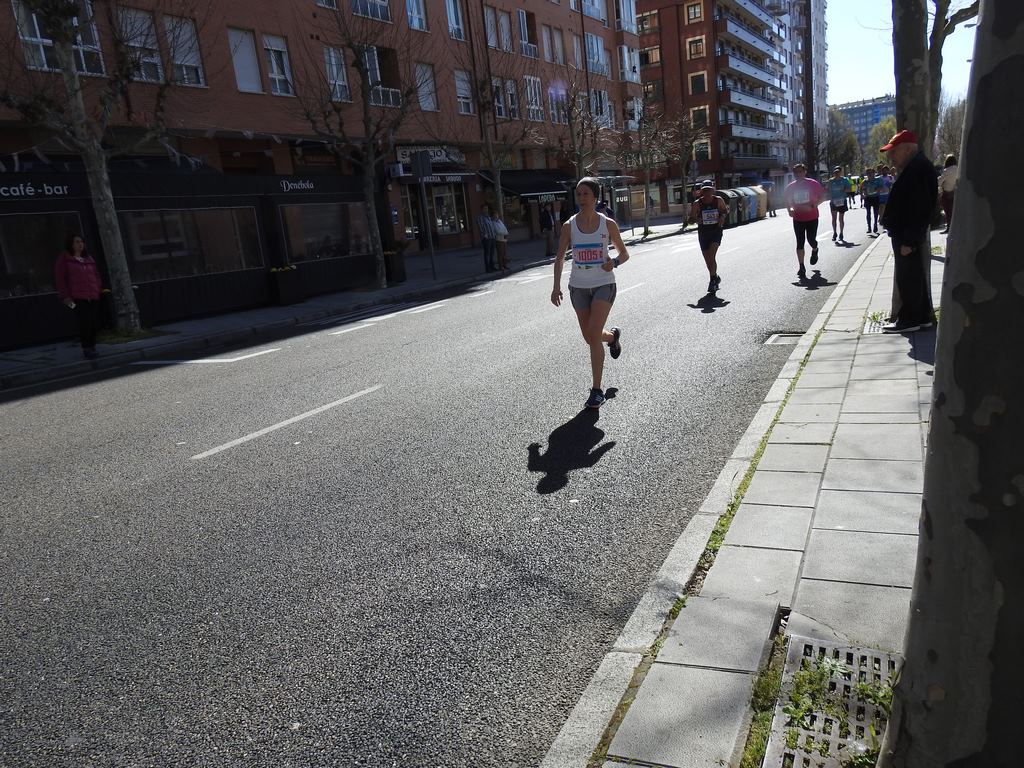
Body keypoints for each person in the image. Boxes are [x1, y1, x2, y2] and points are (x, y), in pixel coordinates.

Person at [551, 177, 631, 410]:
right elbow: (558, 258)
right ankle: (613, 337)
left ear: (595, 197)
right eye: (578, 194)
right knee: (590, 337)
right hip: (578, 287)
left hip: (604, 285)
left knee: (592, 335)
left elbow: (624, 255)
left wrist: (613, 263)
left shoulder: (608, 225)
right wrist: (556, 286)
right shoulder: (569, 226)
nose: (581, 198)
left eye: (586, 194)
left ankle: (597, 391)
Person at [879, 129, 937, 333]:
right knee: (914, 276)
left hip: (907, 235)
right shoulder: (916, 167)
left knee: (908, 278)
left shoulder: (917, 169)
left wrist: (909, 241)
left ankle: (910, 320)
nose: (891, 157)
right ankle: (921, 317)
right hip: (906, 234)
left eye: (893, 152)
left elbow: (919, 209)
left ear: (906, 150)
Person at [54, 233, 103, 359]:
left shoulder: (89, 258)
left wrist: (97, 289)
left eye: (81, 241)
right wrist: (65, 297)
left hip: (92, 296)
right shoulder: (65, 259)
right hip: (76, 298)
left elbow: (96, 275)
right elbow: (60, 279)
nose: (80, 244)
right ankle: (87, 348)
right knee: (84, 322)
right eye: (77, 241)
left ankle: (92, 346)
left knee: (93, 322)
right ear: (71, 244)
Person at [783, 163, 827, 280]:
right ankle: (801, 267)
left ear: (804, 172)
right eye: (796, 172)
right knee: (800, 242)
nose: (798, 174)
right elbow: (788, 201)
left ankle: (815, 249)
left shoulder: (813, 184)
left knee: (811, 240)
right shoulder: (790, 187)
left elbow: (823, 196)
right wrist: (790, 210)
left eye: (800, 171)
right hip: (798, 218)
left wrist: (815, 204)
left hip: (812, 217)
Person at [688, 180, 728, 294]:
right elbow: (690, 220)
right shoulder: (697, 203)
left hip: (716, 231)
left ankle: (712, 281)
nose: (707, 192)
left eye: (709, 190)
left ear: (712, 190)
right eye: (705, 190)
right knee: (708, 261)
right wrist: (696, 219)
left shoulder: (718, 200)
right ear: (701, 191)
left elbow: (725, 211)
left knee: (711, 255)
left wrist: (722, 217)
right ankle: (715, 277)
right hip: (703, 233)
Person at [827, 166, 850, 242]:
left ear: (840, 172)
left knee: (841, 218)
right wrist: (830, 197)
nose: (837, 174)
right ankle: (834, 233)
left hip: (842, 201)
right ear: (834, 173)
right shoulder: (831, 181)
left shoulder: (844, 180)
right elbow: (828, 189)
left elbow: (849, 188)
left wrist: (844, 189)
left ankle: (841, 233)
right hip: (834, 201)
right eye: (835, 172)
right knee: (834, 218)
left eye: (838, 172)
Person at [939, 154, 958, 234]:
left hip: (947, 194)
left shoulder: (947, 170)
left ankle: (949, 228)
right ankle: (955, 227)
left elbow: (939, 181)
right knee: (954, 211)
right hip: (955, 193)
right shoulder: (958, 169)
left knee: (948, 212)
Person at [862, 167, 883, 235]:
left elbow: (881, 187)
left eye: (871, 173)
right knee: (868, 213)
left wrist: (876, 190)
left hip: (875, 197)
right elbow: (863, 189)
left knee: (875, 213)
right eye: (868, 173)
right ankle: (869, 227)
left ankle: (875, 225)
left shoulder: (878, 180)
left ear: (874, 173)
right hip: (868, 198)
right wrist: (864, 193)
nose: (870, 174)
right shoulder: (865, 181)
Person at [477, 205, 497, 272]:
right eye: (485, 209)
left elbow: (492, 226)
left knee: (492, 253)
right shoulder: (480, 217)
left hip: (492, 237)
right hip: (487, 238)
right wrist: (485, 236)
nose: (486, 210)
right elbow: (480, 228)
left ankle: (492, 266)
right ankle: (488, 268)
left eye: (487, 209)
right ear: (482, 210)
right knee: (487, 253)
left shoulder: (488, 217)